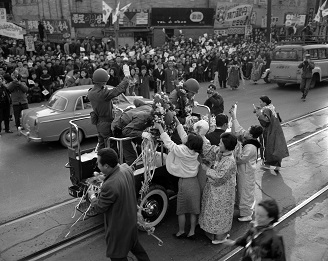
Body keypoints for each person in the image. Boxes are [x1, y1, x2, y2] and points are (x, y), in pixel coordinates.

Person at [87, 148, 150, 261]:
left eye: (99, 164)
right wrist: (103, 178)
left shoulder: (109, 186)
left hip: (119, 228)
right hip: (131, 221)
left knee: (117, 256)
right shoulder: (126, 168)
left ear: (106, 166)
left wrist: (92, 196)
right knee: (137, 249)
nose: (97, 165)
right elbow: (120, 182)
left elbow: (100, 208)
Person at [154, 116, 203, 240]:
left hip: (184, 183)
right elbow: (185, 138)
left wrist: (160, 128)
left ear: (189, 143)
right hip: (194, 183)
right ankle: (192, 232)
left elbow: (169, 143)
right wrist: (178, 124)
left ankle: (181, 231)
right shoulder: (195, 151)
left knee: (181, 210)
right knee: (193, 209)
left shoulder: (182, 151)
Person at [199, 132, 237, 244]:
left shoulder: (229, 161)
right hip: (214, 189)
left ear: (227, 146)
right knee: (213, 212)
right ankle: (215, 234)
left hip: (223, 192)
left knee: (219, 214)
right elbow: (209, 149)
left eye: (221, 143)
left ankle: (219, 237)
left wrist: (207, 169)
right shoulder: (222, 152)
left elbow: (220, 177)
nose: (218, 145)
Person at [230, 104, 263, 222]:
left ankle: (247, 214)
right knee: (243, 190)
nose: (246, 132)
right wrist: (234, 116)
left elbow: (240, 159)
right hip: (244, 171)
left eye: (248, 131)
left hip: (246, 172)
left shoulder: (250, 147)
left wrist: (233, 153)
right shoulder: (251, 140)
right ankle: (243, 209)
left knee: (245, 192)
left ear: (252, 135)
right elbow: (240, 130)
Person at [88, 68, 129, 150]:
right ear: (103, 81)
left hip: (99, 123)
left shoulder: (91, 92)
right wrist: (126, 80)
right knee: (111, 147)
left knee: (102, 145)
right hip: (106, 123)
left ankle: (100, 161)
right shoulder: (102, 94)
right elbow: (117, 90)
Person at [111, 99, 153, 166]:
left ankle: (141, 159)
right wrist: (141, 134)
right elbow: (126, 131)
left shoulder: (149, 107)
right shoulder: (142, 118)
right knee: (130, 154)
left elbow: (136, 101)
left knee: (142, 142)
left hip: (132, 123)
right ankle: (132, 168)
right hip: (119, 128)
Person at [254, 96, 289, 173]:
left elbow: (266, 121)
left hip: (270, 131)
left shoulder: (266, 109)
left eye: (261, 102)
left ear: (265, 103)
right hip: (277, 130)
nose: (259, 103)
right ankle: (277, 166)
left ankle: (267, 164)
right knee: (277, 147)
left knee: (269, 147)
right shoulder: (272, 107)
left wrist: (259, 114)